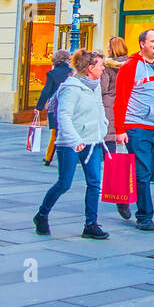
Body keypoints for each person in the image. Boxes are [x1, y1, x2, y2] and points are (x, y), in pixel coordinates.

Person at [33, 49, 109, 240]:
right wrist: (75, 141)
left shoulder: (96, 85)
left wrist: (103, 126)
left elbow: (99, 107)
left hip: (92, 141)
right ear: (90, 67)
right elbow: (63, 116)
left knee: (94, 182)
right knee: (64, 183)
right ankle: (42, 214)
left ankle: (90, 224)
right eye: (100, 64)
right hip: (70, 143)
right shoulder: (71, 88)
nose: (103, 68)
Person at [113, 29, 154, 231]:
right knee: (143, 172)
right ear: (142, 44)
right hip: (136, 125)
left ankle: (123, 191)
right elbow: (120, 99)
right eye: (152, 41)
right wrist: (119, 128)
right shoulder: (130, 67)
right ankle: (144, 217)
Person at [100, 37, 132, 221]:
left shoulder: (107, 67)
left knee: (111, 155)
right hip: (130, 110)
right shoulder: (132, 65)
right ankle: (123, 196)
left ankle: (120, 196)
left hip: (110, 109)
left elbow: (103, 88)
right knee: (124, 154)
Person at [36, 50, 72, 167]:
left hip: (55, 107)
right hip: (70, 106)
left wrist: (39, 107)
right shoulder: (72, 73)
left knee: (55, 134)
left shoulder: (52, 74)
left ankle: (48, 157)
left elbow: (46, 91)